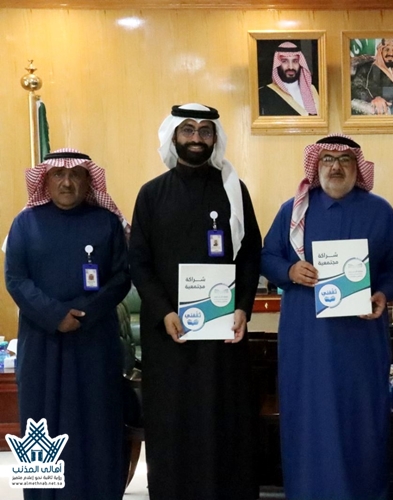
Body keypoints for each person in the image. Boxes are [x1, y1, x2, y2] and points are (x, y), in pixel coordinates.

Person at [261, 134, 393, 500]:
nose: (335, 167)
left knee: (361, 421)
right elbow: (266, 257)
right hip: (306, 341)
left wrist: (382, 293)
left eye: (344, 160)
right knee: (310, 420)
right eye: (327, 159)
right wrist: (290, 271)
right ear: (316, 165)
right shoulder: (293, 211)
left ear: (357, 167)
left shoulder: (380, 211)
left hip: (360, 342)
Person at [129, 104, 262, 500]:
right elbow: (139, 262)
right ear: (173, 136)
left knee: (224, 420)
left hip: (222, 337)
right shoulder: (152, 194)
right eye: (188, 130)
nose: (196, 138)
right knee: (173, 422)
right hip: (170, 336)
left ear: (215, 138)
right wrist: (164, 312)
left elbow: (250, 254)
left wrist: (243, 306)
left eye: (205, 131)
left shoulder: (234, 190)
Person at [4, 148, 131, 500]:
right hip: (41, 342)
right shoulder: (25, 223)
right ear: (45, 180)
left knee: (96, 423)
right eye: (58, 175)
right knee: (42, 427)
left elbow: (121, 277)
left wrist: (84, 313)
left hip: (95, 342)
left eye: (76, 175)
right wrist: (55, 315)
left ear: (89, 181)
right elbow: (15, 279)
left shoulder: (106, 223)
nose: (66, 182)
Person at [351, 38, 393, 115]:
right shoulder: (368, 68)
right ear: (380, 51)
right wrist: (375, 98)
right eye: (387, 49)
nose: (391, 53)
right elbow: (356, 87)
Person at [258, 41, 319, 116]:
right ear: (277, 64)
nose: (290, 67)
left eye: (295, 61)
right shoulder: (264, 94)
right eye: (284, 61)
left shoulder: (313, 90)